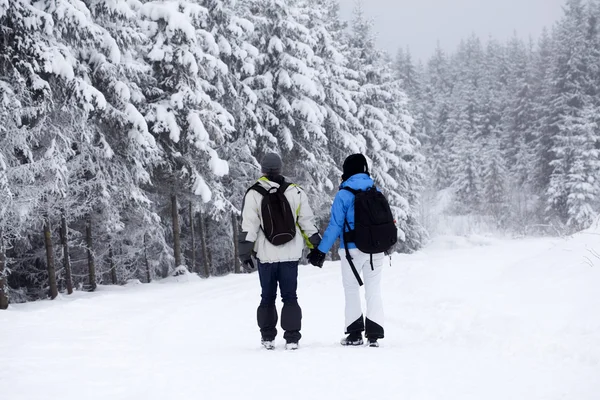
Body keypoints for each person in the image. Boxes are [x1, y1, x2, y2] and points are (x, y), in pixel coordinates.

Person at [239, 153, 321, 350]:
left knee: (267, 296)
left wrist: (244, 252)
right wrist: (316, 247)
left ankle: (267, 338)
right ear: (281, 168)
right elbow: (306, 222)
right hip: (290, 254)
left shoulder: (253, 193)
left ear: (262, 169)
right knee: (290, 297)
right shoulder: (296, 192)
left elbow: (249, 226)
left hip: (266, 256)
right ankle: (292, 338)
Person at [307, 154, 387, 348]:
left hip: (351, 251)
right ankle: (374, 334)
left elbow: (335, 226)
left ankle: (354, 334)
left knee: (351, 290)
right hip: (375, 251)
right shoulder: (375, 190)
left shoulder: (344, 194)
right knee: (373, 290)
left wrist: (320, 251)